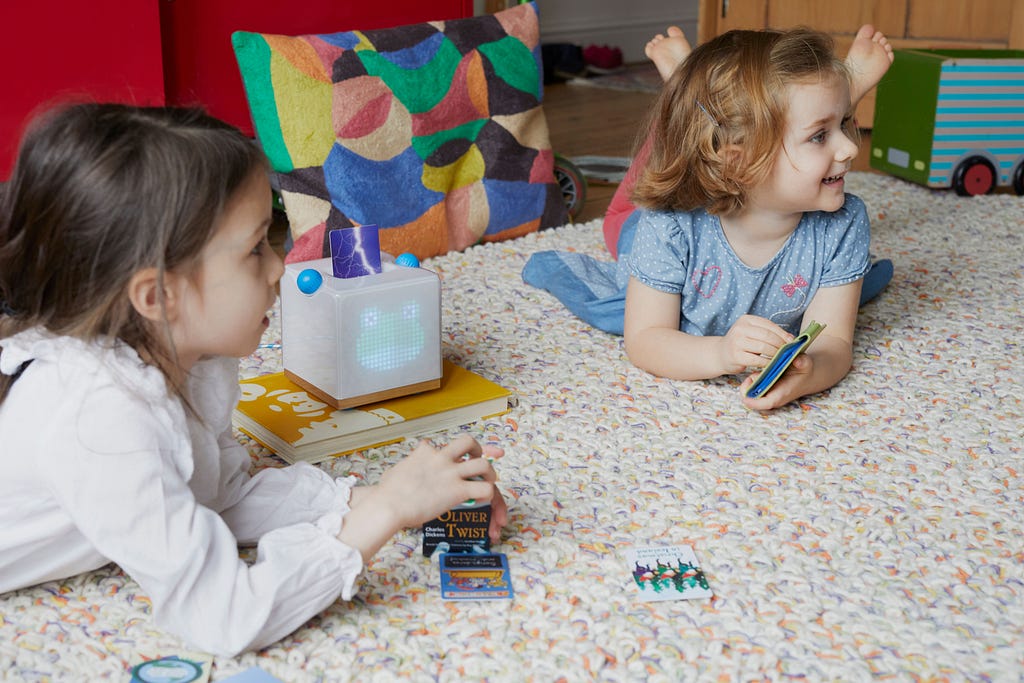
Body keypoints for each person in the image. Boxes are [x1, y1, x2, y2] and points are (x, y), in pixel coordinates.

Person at [0, 104, 508, 657]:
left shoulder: (194, 353)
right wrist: (382, 514)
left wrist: (378, 498)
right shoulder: (101, 419)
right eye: (255, 249)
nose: (278, 268)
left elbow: (218, 494)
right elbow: (223, 617)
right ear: (158, 296)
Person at [523, 25, 893, 410]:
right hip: (652, 220)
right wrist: (720, 354)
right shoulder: (666, 224)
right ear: (738, 159)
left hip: (738, 165)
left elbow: (835, 345)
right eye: (820, 135)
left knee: (784, 129)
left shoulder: (843, 221)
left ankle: (727, 100)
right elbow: (646, 338)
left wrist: (807, 374)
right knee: (632, 213)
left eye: (845, 123)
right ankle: (684, 84)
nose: (851, 148)